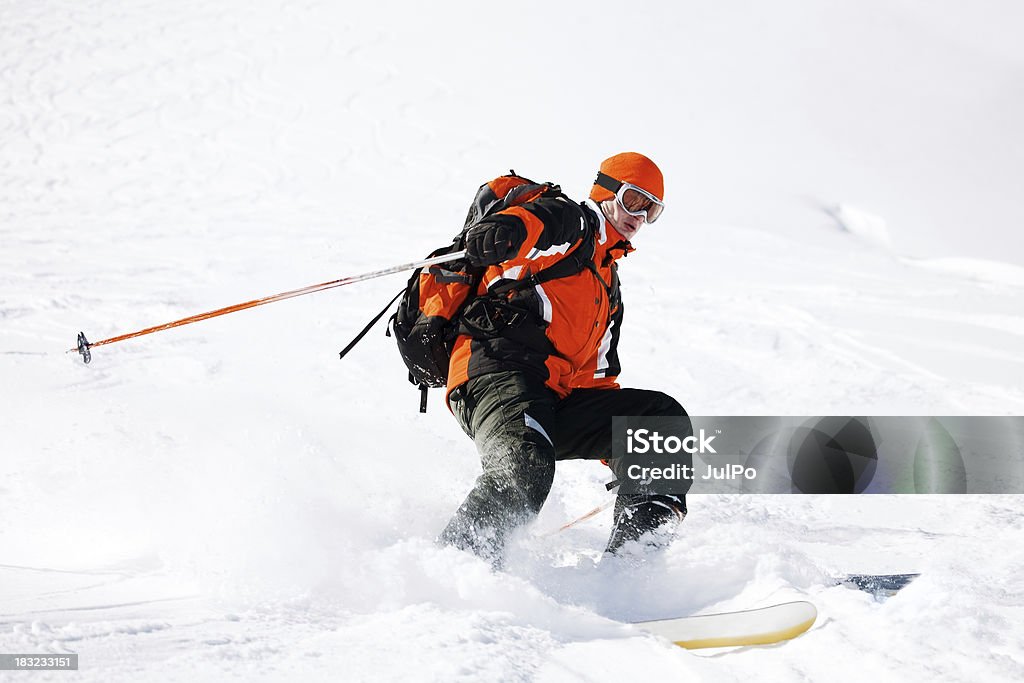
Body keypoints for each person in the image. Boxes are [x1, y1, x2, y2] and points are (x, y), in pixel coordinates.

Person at [438, 152, 690, 565]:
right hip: (496, 373)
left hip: (552, 397)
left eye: (652, 209)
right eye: (633, 200)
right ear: (605, 192)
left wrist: (631, 449)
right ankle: (454, 570)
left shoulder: (607, 283)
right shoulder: (573, 224)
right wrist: (506, 229)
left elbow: (595, 379)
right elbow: (538, 225)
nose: (639, 217)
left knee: (657, 420)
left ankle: (631, 567)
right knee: (526, 466)